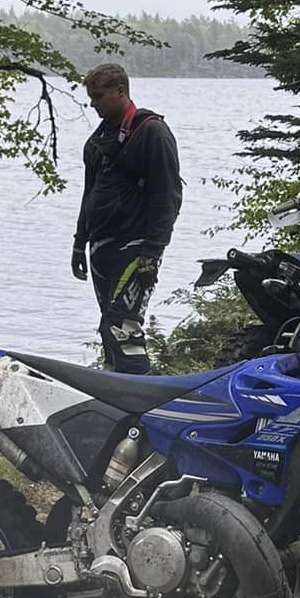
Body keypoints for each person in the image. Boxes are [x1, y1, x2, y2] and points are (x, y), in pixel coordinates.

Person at [71, 61, 183, 373]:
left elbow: (168, 195)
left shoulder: (152, 132)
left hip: (135, 246)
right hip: (101, 247)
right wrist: (79, 243)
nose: (93, 103)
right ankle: (114, 401)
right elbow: (89, 194)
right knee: (110, 326)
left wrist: (152, 251)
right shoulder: (98, 139)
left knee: (125, 327)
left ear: (120, 92)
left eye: (98, 96)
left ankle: (141, 405)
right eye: (90, 96)